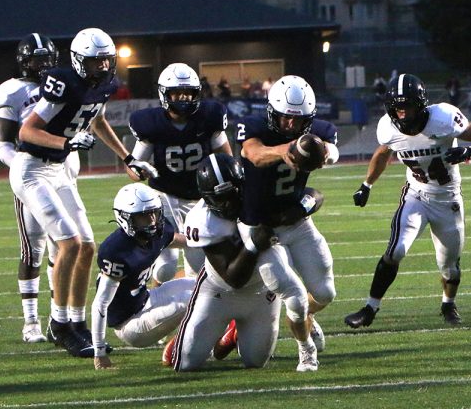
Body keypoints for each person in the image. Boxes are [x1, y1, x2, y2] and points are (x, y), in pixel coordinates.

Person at [13, 27, 156, 358]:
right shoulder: (63, 83)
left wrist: (128, 158)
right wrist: (66, 141)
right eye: (95, 63)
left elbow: (98, 120)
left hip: (59, 170)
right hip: (32, 168)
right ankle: (60, 324)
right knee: (70, 243)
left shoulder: (105, 85)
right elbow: (27, 130)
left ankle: (76, 323)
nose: (103, 69)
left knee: (88, 246)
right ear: (78, 62)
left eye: (107, 61)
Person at [345, 73, 471, 328]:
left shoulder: (444, 117)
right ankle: (370, 308)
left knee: (449, 265)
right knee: (395, 250)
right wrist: (366, 185)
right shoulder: (387, 127)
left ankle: (448, 304)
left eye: (407, 107)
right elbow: (383, 154)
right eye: (397, 108)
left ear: (421, 105)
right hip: (415, 194)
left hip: (448, 198)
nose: (402, 114)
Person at [235, 74, 339, 369]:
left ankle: (306, 318)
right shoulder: (255, 126)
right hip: (259, 228)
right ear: (272, 112)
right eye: (284, 118)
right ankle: (305, 348)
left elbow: (332, 149)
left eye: (298, 120)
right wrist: (286, 150)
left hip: (294, 221)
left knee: (325, 292)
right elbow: (253, 154)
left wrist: (322, 151)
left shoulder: (316, 131)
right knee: (293, 295)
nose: (291, 125)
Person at [168, 154, 293, 372]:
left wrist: (302, 208)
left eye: (231, 195)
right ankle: (189, 335)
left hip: (262, 293)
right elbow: (233, 278)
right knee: (185, 364)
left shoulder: (260, 194)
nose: (227, 205)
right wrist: (254, 245)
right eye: (219, 198)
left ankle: (233, 333)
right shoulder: (202, 220)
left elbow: (312, 195)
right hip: (218, 292)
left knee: (255, 362)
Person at [128, 63, 232, 283]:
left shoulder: (208, 116)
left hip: (201, 200)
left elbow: (225, 158)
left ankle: (190, 308)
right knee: (164, 269)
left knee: (200, 269)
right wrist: (140, 170)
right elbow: (134, 169)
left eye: (188, 93)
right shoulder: (151, 123)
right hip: (164, 198)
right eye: (177, 93)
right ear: (165, 94)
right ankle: (154, 304)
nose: (183, 99)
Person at [0, 33, 66, 343]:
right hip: (31, 177)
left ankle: (58, 319)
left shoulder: (63, 85)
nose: (44, 65)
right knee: (33, 250)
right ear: (23, 61)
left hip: (61, 174)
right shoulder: (11, 91)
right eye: (37, 59)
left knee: (62, 248)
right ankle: (31, 322)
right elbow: (3, 146)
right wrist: (25, 174)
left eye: (48, 58)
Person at [91, 184, 193, 370]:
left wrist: (213, 240)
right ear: (125, 217)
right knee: (188, 301)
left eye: (154, 213)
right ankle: (184, 348)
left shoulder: (156, 233)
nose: (152, 220)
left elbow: (178, 240)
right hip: (130, 325)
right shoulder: (116, 250)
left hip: (145, 299)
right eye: (143, 216)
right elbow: (100, 304)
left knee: (201, 286)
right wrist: (99, 353)